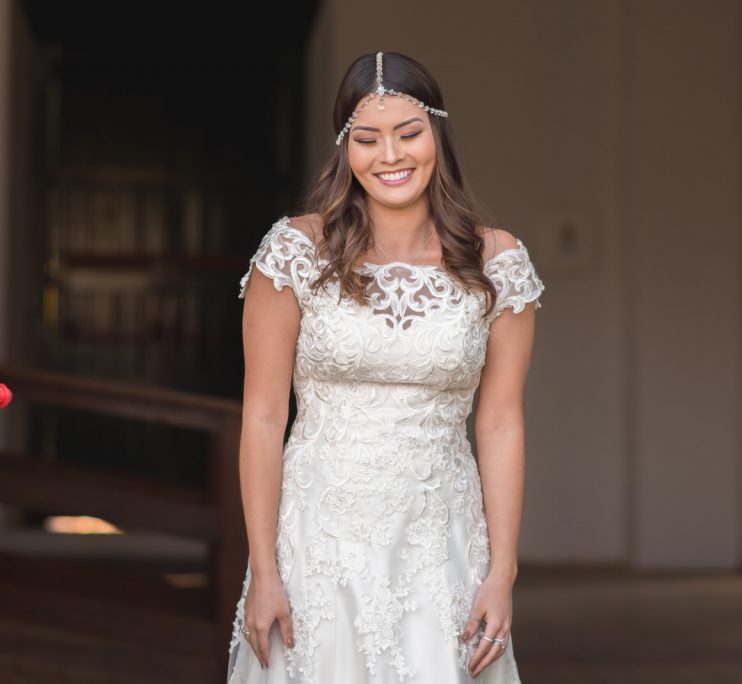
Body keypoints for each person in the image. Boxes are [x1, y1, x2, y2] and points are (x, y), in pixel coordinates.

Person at [225, 51, 543, 683]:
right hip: (320, 542)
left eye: (409, 133)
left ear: (438, 135)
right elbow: (263, 416)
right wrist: (265, 569)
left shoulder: (497, 262)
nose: (390, 156)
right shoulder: (294, 254)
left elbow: (501, 423)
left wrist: (501, 572)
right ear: (345, 149)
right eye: (367, 139)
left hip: (442, 544)